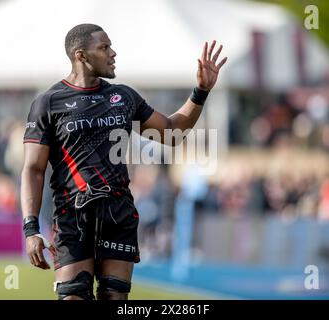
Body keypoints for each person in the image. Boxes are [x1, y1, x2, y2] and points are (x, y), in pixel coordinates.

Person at [21, 23, 227, 300]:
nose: (113, 53)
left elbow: (171, 132)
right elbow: (33, 169)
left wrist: (200, 91)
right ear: (80, 55)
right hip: (73, 216)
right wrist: (31, 228)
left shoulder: (123, 96)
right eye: (104, 48)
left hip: (118, 213)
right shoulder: (48, 102)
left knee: (115, 299)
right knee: (73, 297)